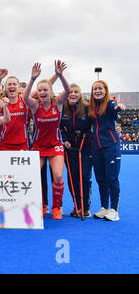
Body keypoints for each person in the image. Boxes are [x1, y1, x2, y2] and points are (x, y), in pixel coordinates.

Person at [23, 61, 71, 220]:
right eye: (40, 90)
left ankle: (56, 208)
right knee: (34, 176)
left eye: (45, 90)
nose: (42, 92)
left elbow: (68, 90)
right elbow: (24, 97)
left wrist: (60, 75)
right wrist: (32, 79)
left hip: (55, 145)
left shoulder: (57, 104)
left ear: (50, 92)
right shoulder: (35, 106)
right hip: (38, 147)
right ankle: (41, 206)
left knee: (57, 176)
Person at [88, 80, 125, 221]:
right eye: (95, 89)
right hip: (96, 148)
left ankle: (115, 210)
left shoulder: (110, 103)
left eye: (100, 88)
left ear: (105, 90)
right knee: (101, 179)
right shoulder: (91, 107)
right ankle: (105, 208)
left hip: (111, 147)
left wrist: (119, 107)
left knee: (112, 179)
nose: (97, 91)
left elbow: (116, 108)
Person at [60, 84, 93, 218]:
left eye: (76, 92)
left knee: (84, 176)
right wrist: (64, 138)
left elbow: (97, 123)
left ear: (80, 94)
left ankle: (85, 207)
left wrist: (117, 126)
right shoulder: (62, 108)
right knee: (72, 177)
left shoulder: (87, 108)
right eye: (70, 92)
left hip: (85, 146)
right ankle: (77, 206)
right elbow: (59, 127)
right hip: (70, 147)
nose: (73, 94)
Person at [0, 76, 30, 151]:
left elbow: (45, 88)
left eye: (14, 84)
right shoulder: (0, 102)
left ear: (18, 87)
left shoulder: (25, 101)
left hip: (22, 145)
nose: (12, 86)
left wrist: (32, 78)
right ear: (5, 88)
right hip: (5, 144)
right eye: (9, 84)